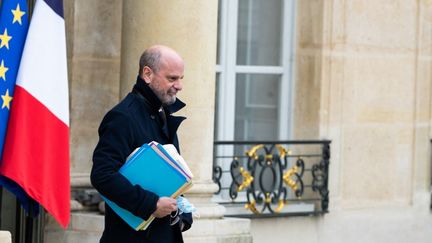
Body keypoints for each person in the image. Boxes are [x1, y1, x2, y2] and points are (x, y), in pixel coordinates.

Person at [91, 45, 192, 243]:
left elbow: (171, 177)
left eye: (181, 78)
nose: (179, 86)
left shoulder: (163, 113)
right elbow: (102, 175)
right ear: (147, 74)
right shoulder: (122, 116)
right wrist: (151, 204)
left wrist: (182, 215)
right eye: (172, 78)